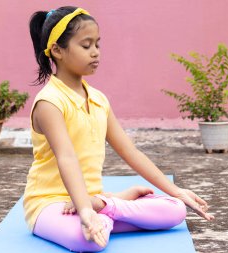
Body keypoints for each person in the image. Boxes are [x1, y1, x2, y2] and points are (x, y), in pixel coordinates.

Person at [24, 6, 215, 252]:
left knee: (176, 210)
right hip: (50, 204)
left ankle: (106, 208)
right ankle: (106, 211)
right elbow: (67, 157)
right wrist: (83, 210)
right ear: (58, 51)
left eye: (97, 45)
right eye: (86, 46)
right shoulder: (49, 102)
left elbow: (130, 151)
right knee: (87, 241)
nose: (95, 53)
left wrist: (177, 191)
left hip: (91, 200)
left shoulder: (99, 99)